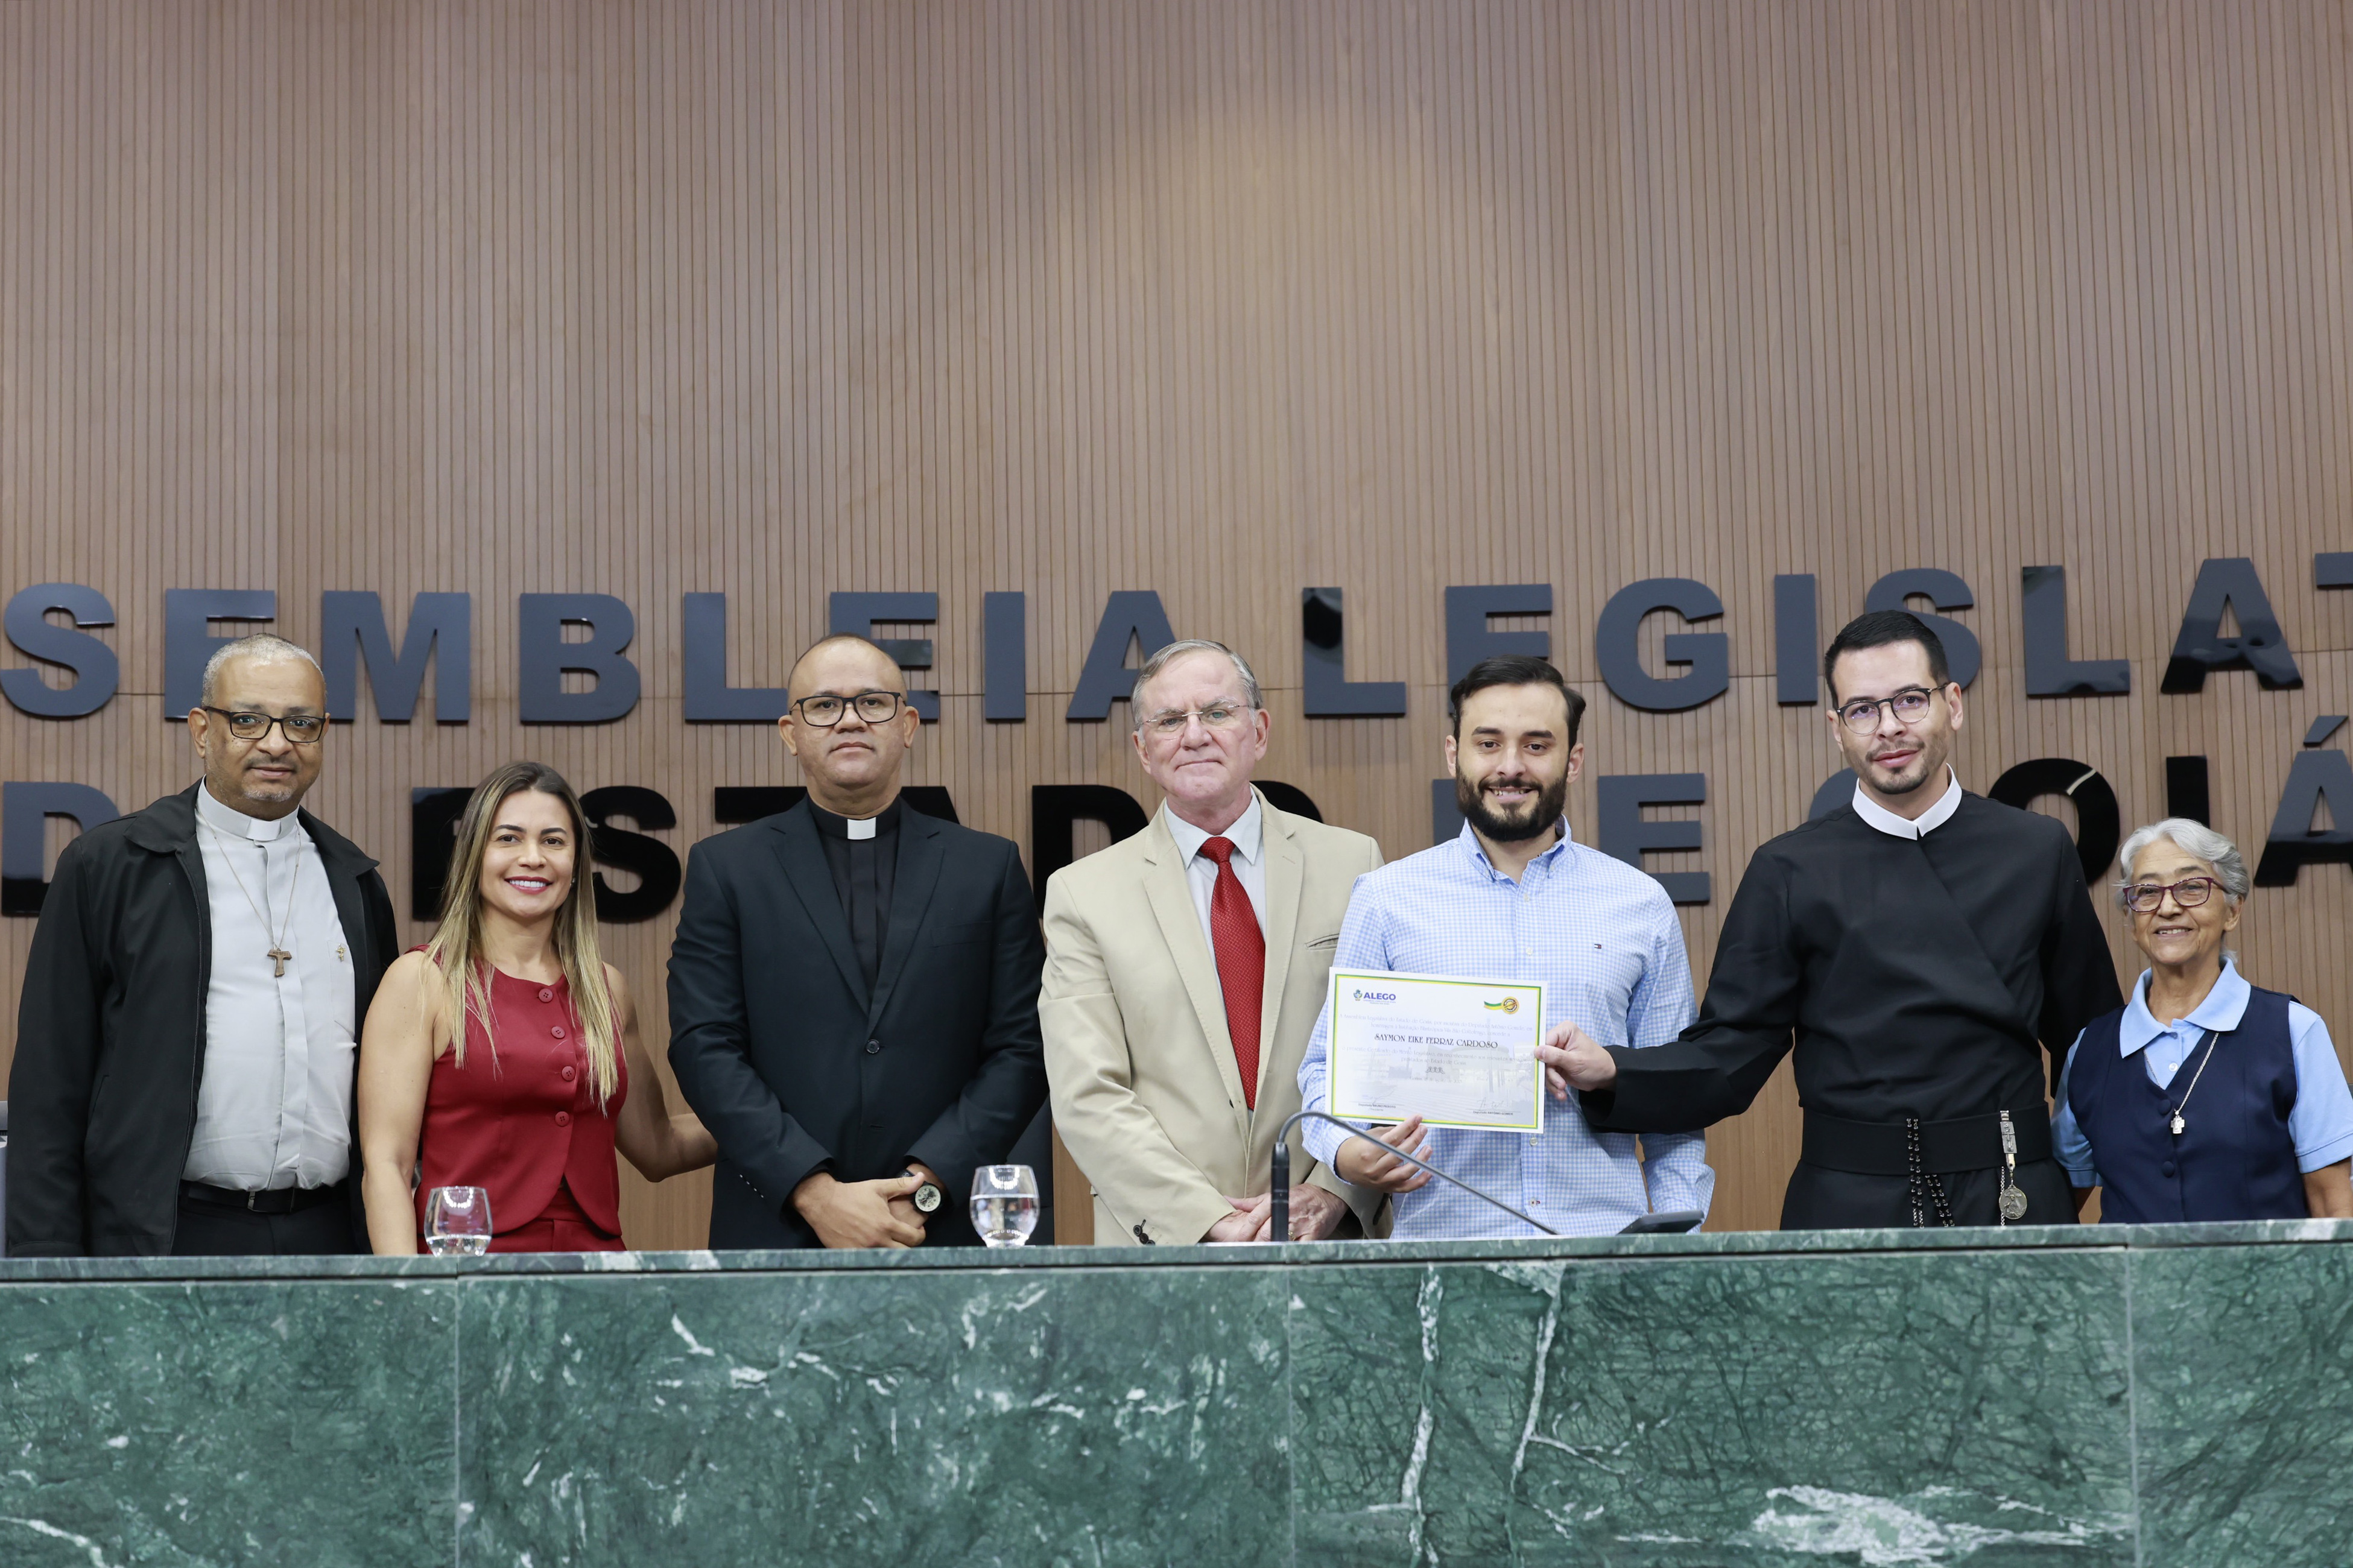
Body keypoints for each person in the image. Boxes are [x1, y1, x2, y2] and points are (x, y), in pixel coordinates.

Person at [1553, 610, 2123, 1228]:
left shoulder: (2036, 848)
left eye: (1910, 700)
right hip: (1847, 1204)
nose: (1889, 727)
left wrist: (2071, 1176)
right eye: (1862, 710)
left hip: (2012, 1191)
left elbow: (2092, 1045)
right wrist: (1614, 1069)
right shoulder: (1788, 869)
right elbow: (1731, 1050)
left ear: (1953, 704)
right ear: (1837, 729)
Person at [1294, 654, 1713, 1238]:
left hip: (1604, 1254)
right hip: (1443, 1255)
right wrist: (1345, 1150)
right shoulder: (1387, 899)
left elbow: (1676, 1102)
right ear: (1453, 754)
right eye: (1487, 743)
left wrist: (1676, 1244)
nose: (1510, 766)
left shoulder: (1639, 903)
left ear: (1573, 761)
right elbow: (1326, 1070)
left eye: (1536, 746)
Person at [7, 634, 399, 1256]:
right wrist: (46, 1264)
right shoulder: (110, 866)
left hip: (330, 1235)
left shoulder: (354, 882)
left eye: (300, 723)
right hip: (167, 1235)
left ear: (323, 733)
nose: (277, 743)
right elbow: (49, 1084)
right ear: (201, 730)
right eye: (248, 720)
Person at [668, 634, 1047, 1250]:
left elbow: (1023, 1045)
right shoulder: (727, 868)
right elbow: (703, 1045)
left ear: (907, 725)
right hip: (776, 1228)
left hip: (938, 1228)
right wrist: (814, 1193)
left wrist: (924, 1187)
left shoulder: (987, 867)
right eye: (824, 705)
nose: (849, 720)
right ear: (791, 733)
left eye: (872, 702)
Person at [1042, 639, 1386, 1245]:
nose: (1194, 735)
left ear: (1260, 731)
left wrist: (1335, 1192)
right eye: (1169, 720)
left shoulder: (1352, 863)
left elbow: (1385, 1058)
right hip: (1166, 1251)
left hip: (1328, 1242)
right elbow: (1088, 1092)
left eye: (1217, 712)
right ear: (1143, 750)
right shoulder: (1081, 894)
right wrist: (1208, 1220)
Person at [356, 763, 714, 1253]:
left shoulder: (607, 990)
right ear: (474, 855)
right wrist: (413, 1293)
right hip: (465, 1270)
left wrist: (780, 1122)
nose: (532, 858)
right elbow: (388, 1167)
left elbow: (659, 1147)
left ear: (576, 863)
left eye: (553, 841)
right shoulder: (421, 980)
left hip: (596, 1272)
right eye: (508, 838)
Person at [2054, 819, 2353, 1222]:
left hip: (2265, 1267)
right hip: (2131, 1268)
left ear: (2233, 910)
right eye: (2147, 891)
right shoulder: (2089, 1050)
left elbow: (2333, 1205)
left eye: (2192, 887)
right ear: (2131, 920)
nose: (2167, 907)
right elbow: (2060, 1207)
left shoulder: (2293, 1031)